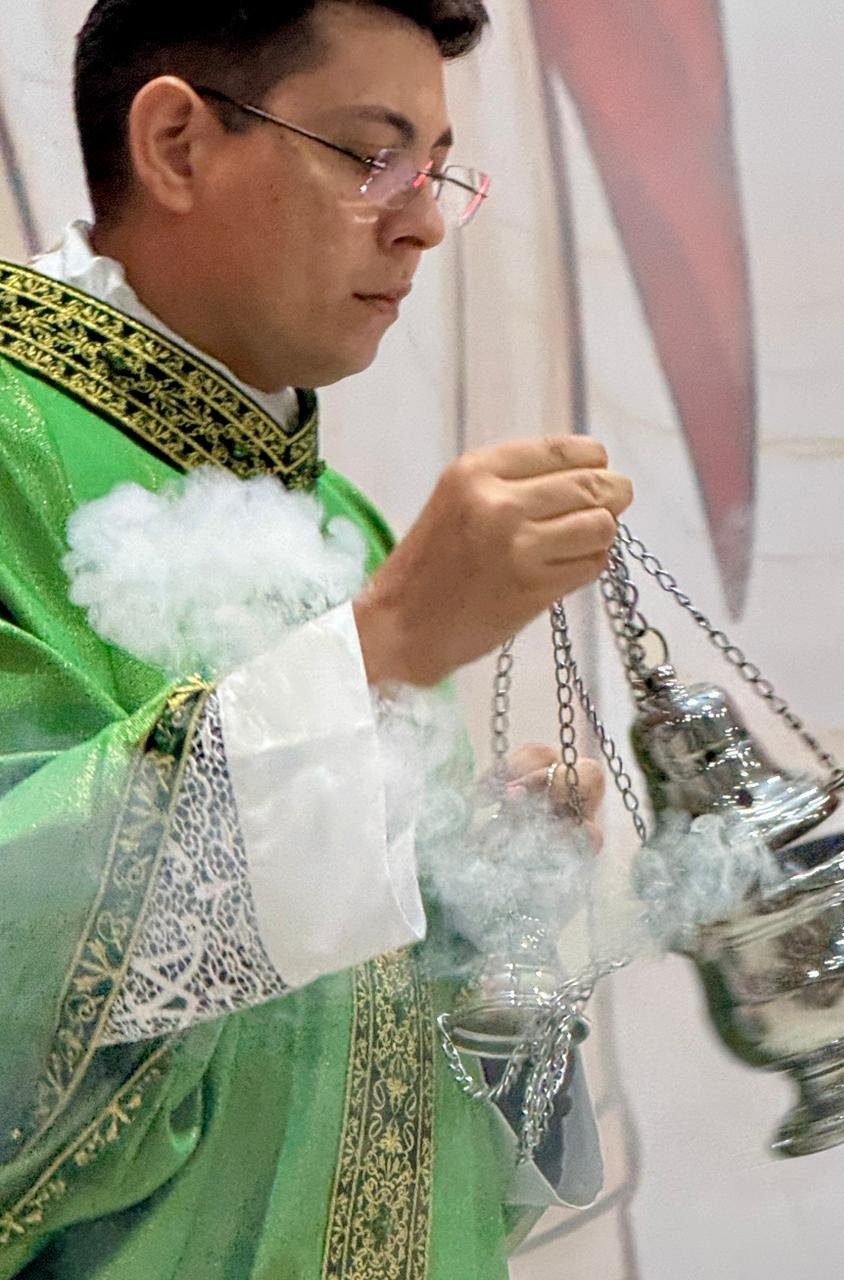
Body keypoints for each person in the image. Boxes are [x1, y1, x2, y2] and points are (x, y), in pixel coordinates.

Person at [0, 2, 633, 1275]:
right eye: (371, 156)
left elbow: (364, 1102)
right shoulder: (20, 447)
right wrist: (382, 647)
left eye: (437, 167)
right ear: (177, 144)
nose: (423, 221)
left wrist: (482, 922)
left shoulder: (341, 521)